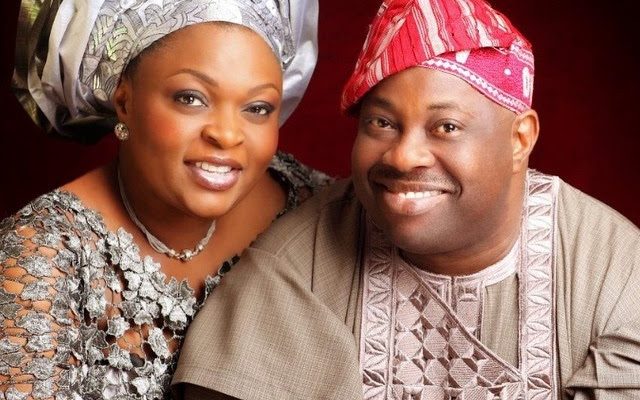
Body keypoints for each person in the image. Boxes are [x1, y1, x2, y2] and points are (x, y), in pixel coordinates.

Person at [173, 0, 640, 398]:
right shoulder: (295, 266)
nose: (403, 156)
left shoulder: (615, 273)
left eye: (446, 127)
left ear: (519, 140)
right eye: (382, 123)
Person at [0, 0, 329, 398]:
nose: (227, 134)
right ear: (125, 101)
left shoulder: (313, 207)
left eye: (257, 107)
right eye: (191, 98)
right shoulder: (43, 257)